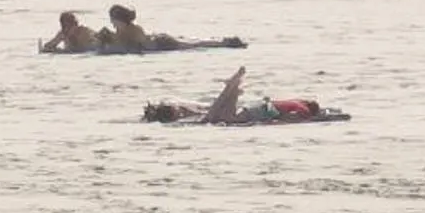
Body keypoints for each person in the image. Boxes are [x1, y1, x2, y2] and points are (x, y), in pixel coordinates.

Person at [141, 66, 346, 125]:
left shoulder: (298, 103)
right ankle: (230, 90)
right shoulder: (301, 110)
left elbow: (283, 115)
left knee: (214, 118)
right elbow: (286, 119)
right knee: (216, 118)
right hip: (257, 112)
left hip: (257, 108)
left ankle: (231, 89)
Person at [101, 4, 244, 52]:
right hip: (158, 41)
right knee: (191, 43)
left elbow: (144, 46)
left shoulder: (134, 30)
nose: (112, 22)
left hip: (162, 42)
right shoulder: (122, 30)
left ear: (120, 20)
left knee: (192, 45)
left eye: (113, 19)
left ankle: (225, 42)